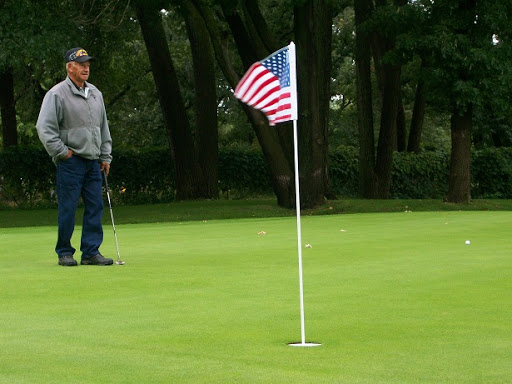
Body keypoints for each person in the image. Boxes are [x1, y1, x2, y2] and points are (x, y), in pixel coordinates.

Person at [36, 47, 113, 266]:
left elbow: (103, 127)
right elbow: (44, 128)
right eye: (81, 65)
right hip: (71, 161)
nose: (86, 68)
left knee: (95, 206)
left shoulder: (96, 93)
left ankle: (90, 251)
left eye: (87, 65)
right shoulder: (57, 94)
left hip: (93, 161)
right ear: (70, 67)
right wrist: (63, 153)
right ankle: (64, 252)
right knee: (68, 207)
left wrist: (105, 156)